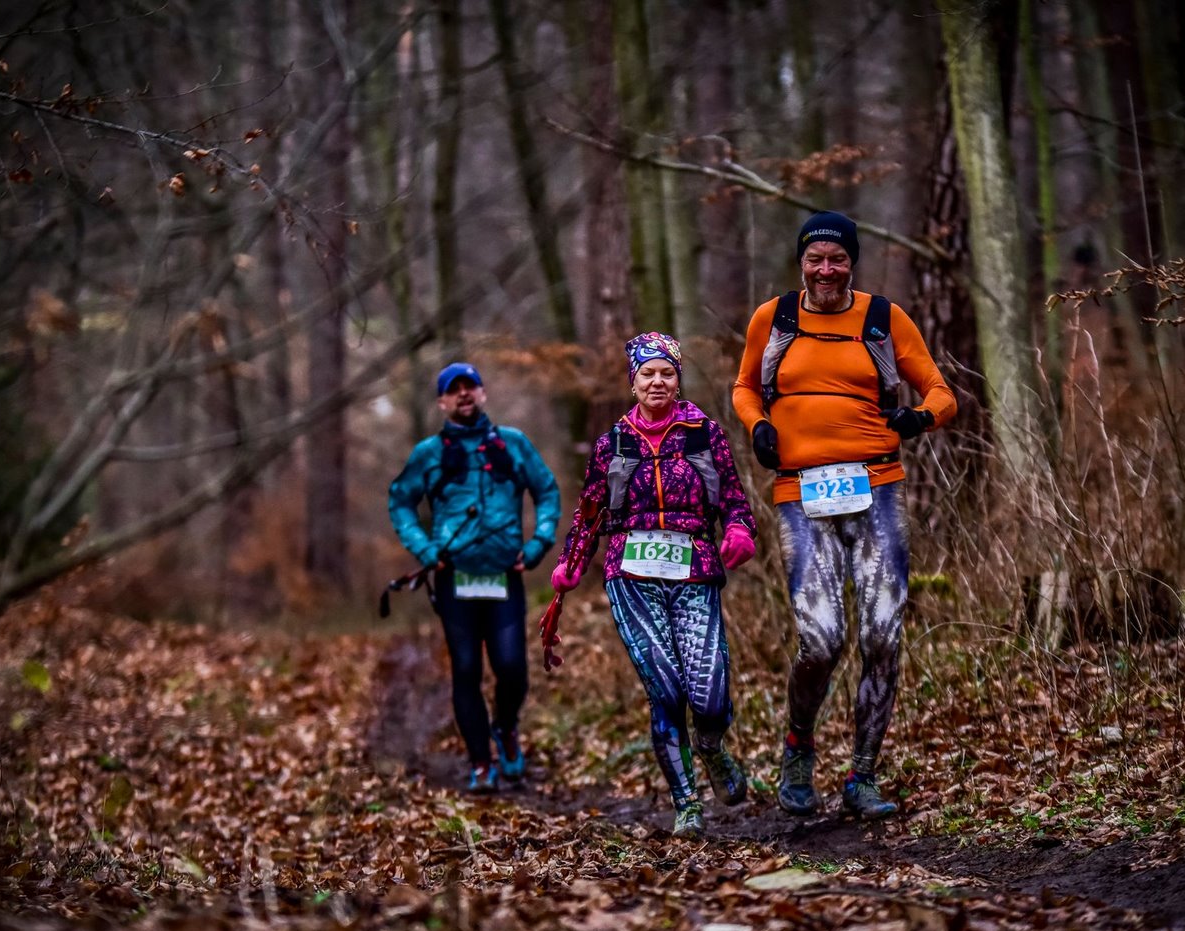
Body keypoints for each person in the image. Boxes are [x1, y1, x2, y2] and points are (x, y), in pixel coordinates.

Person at [732, 210, 957, 820]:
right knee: (822, 639)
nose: (826, 269)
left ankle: (862, 777)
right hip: (801, 496)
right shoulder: (773, 318)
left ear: (851, 262)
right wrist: (756, 427)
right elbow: (745, 387)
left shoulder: (883, 319)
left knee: (882, 634)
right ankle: (799, 747)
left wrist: (917, 419)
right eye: (815, 259)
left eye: (837, 259)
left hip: (877, 488)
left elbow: (942, 393)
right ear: (801, 262)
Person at [551, 332, 757, 838]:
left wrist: (738, 529)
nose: (658, 381)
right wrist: (571, 563)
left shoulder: (704, 433)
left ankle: (710, 746)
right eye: (648, 373)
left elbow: (733, 495)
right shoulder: (613, 443)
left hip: (694, 568)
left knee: (708, 694)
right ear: (634, 381)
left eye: (666, 372)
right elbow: (590, 512)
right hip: (631, 572)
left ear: (677, 379)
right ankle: (686, 802)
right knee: (665, 690)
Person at [388, 362, 561, 793]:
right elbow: (400, 502)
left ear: (483, 394)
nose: (464, 394)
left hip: (505, 575)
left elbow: (547, 491)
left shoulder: (513, 444)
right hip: (454, 580)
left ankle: (505, 728)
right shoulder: (429, 453)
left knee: (512, 669)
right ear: (442, 401)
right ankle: (482, 762)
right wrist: (426, 551)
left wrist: (539, 543)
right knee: (465, 669)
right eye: (454, 389)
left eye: (471, 387)